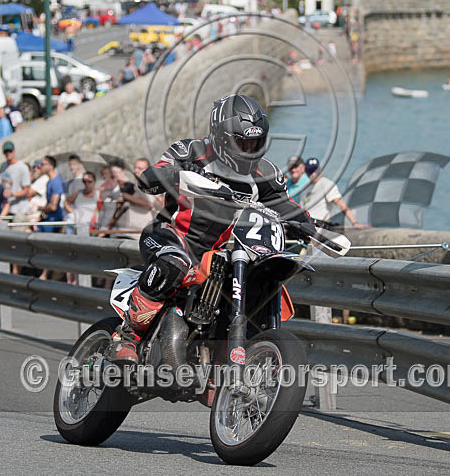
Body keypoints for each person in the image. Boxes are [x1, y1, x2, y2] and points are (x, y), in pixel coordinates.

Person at [107, 94, 315, 365]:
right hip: (169, 235)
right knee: (175, 262)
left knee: (253, 281)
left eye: (254, 142)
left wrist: (313, 226)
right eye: (241, 142)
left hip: (218, 253)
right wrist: (172, 175)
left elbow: (285, 205)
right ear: (221, 136)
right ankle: (127, 336)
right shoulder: (189, 151)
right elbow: (149, 178)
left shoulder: (266, 173)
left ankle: (220, 364)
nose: (248, 148)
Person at [299, 157, 368, 228]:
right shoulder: (305, 189)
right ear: (306, 172)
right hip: (306, 222)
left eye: (315, 170)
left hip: (320, 223)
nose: (313, 174)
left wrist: (354, 223)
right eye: (310, 171)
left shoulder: (326, 184)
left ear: (319, 170)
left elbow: (340, 204)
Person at [0, 141, 31, 225]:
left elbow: (26, 190)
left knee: (18, 234)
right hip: (5, 209)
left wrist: (11, 194)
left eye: (10, 151)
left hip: (19, 209)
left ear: (14, 151)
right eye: (6, 151)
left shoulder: (22, 167)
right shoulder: (3, 166)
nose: (8, 153)